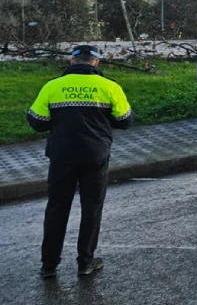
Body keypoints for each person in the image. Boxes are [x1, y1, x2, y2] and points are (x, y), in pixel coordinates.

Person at [27, 45, 132, 279]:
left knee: (56, 208)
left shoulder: (52, 86)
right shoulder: (109, 86)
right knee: (91, 208)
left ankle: (49, 265)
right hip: (95, 156)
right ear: (96, 63)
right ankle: (85, 262)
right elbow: (125, 120)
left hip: (61, 156)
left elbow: (36, 122)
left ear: (72, 62)